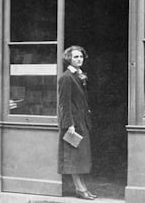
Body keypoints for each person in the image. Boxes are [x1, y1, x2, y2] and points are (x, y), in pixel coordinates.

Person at [58, 45, 96, 200]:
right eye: (75, 57)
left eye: (80, 57)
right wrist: (69, 125)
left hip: (82, 122)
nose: (79, 59)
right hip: (73, 125)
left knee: (81, 158)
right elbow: (64, 104)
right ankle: (80, 189)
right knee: (74, 158)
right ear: (69, 59)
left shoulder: (79, 75)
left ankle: (82, 187)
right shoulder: (66, 78)